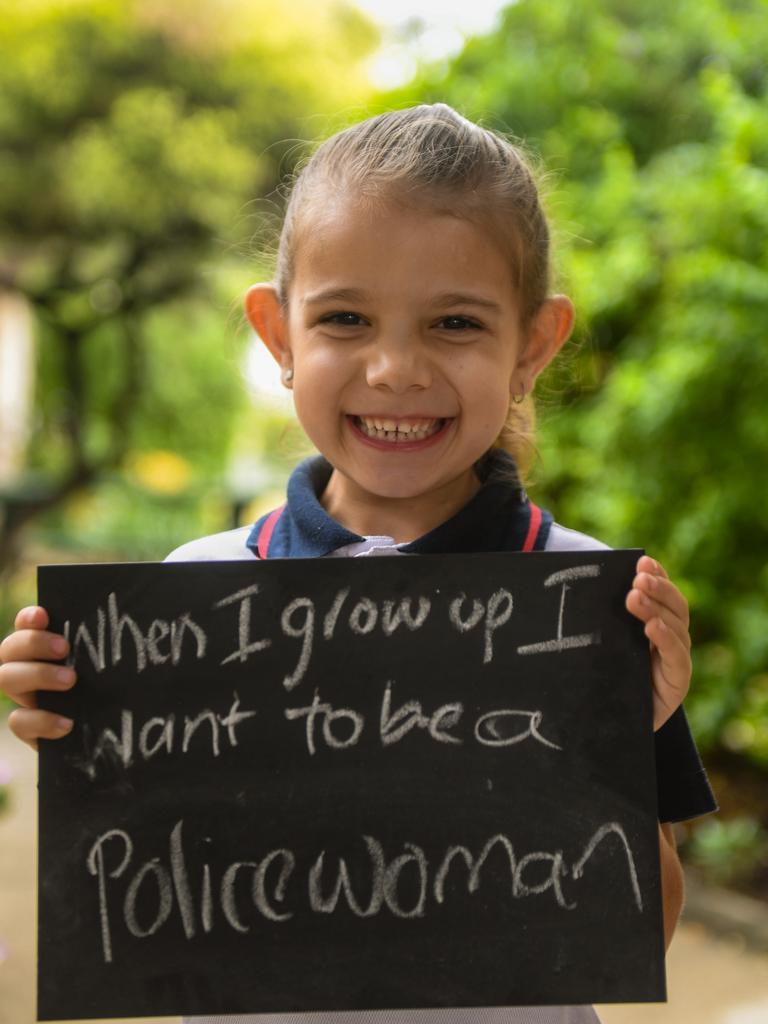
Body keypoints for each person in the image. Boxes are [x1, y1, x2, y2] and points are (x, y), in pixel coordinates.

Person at [0, 104, 715, 1024]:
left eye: (455, 322)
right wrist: (81, 726)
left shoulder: (592, 606)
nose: (395, 370)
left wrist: (619, 743)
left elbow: (638, 928)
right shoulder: (191, 595)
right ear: (279, 335)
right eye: (345, 317)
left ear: (534, 344)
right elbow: (140, 890)